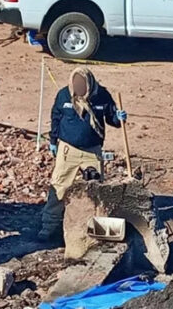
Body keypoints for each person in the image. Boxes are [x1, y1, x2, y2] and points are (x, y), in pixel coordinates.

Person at [39, 67, 127, 241]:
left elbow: (112, 120)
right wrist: (53, 141)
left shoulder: (101, 95)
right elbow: (56, 117)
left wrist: (119, 118)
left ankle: (99, 231)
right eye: (75, 84)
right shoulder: (64, 95)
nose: (79, 89)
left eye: (82, 85)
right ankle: (49, 226)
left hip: (92, 152)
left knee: (97, 191)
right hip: (68, 150)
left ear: (90, 83)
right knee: (59, 187)